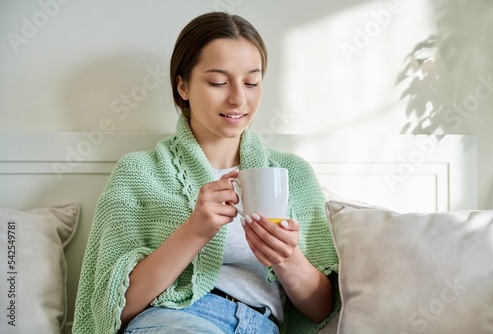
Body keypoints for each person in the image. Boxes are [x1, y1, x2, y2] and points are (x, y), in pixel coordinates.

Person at [73, 11, 339, 334]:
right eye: (218, 82)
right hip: (172, 320)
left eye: (251, 82)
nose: (238, 98)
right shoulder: (139, 173)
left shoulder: (292, 175)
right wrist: (196, 230)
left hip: (262, 326)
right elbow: (114, 307)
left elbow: (322, 308)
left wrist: (287, 258)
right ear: (183, 86)